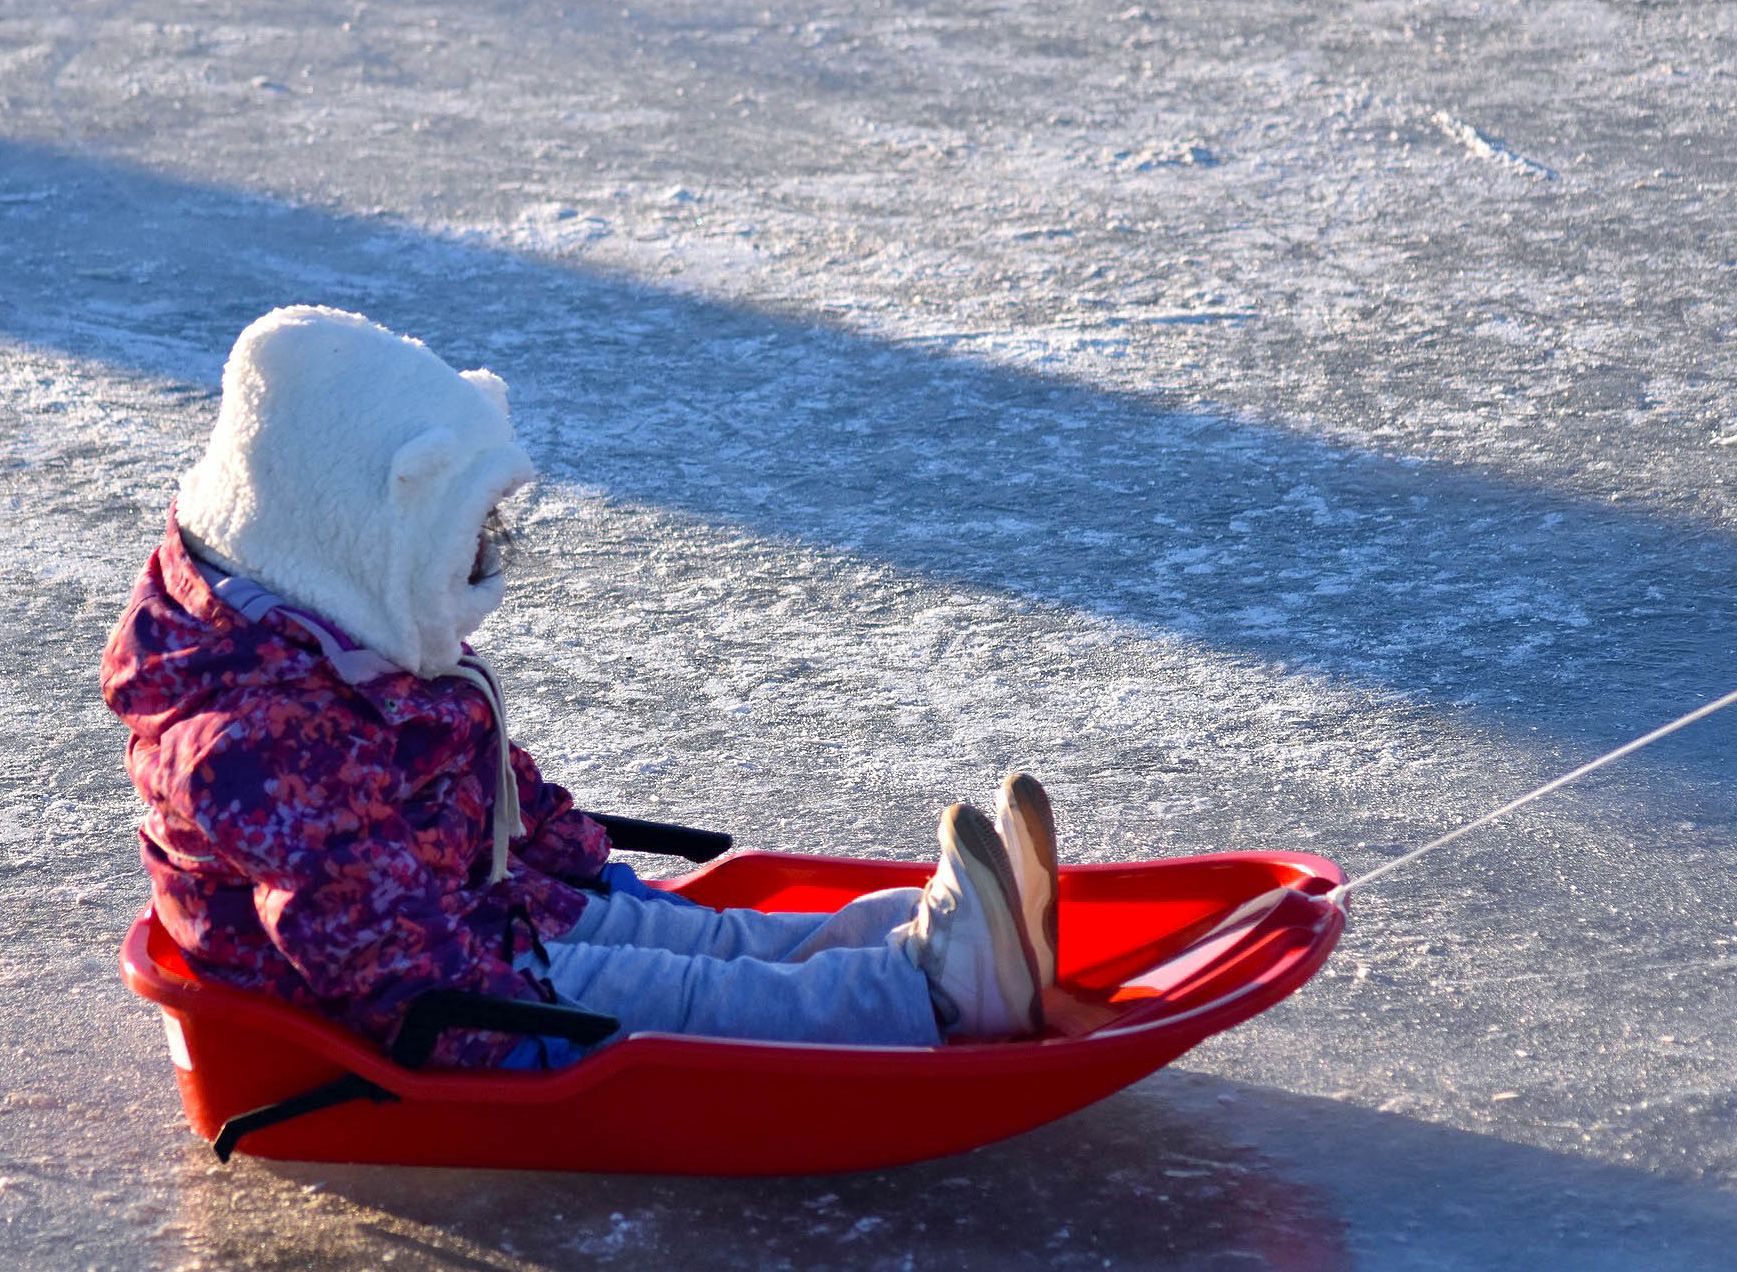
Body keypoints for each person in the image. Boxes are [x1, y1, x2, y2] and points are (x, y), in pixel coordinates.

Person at [101, 305, 1062, 1070]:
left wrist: (568, 856)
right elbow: (374, 954)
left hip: (488, 909)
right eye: (467, 542)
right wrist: (529, 997)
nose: (485, 568)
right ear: (362, 525)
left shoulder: (316, 629)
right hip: (449, 1001)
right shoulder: (252, 745)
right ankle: (930, 992)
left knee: (713, 944)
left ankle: (944, 933)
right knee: (696, 1002)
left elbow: (457, 772)